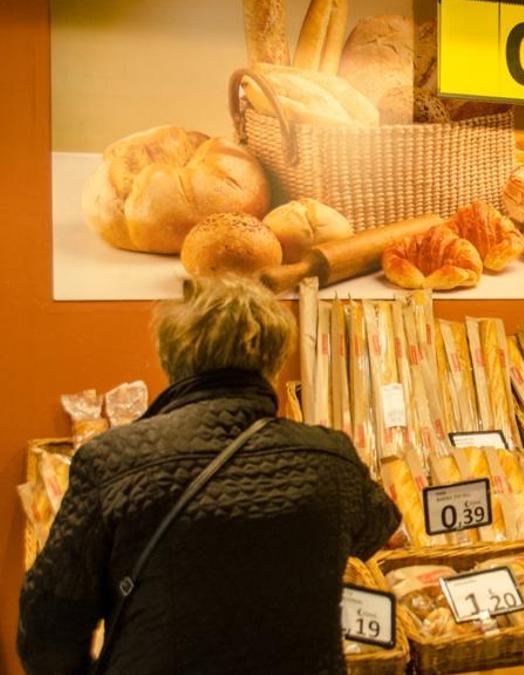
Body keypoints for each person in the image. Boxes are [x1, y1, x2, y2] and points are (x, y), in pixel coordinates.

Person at [18, 275, 400, 675]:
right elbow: (380, 529)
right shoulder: (330, 457)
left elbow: (48, 624)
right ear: (273, 357)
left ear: (170, 355)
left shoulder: (112, 459)